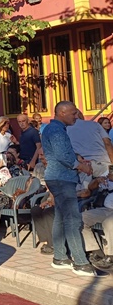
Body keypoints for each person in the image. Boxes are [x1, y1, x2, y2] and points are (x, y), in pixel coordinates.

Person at [41, 101, 104, 277]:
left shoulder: (54, 129)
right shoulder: (56, 130)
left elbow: (64, 153)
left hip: (58, 177)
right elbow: (64, 157)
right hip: (62, 178)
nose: (76, 116)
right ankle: (80, 262)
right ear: (62, 112)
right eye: (73, 113)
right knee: (72, 219)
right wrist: (82, 166)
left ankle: (60, 257)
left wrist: (78, 158)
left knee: (61, 218)